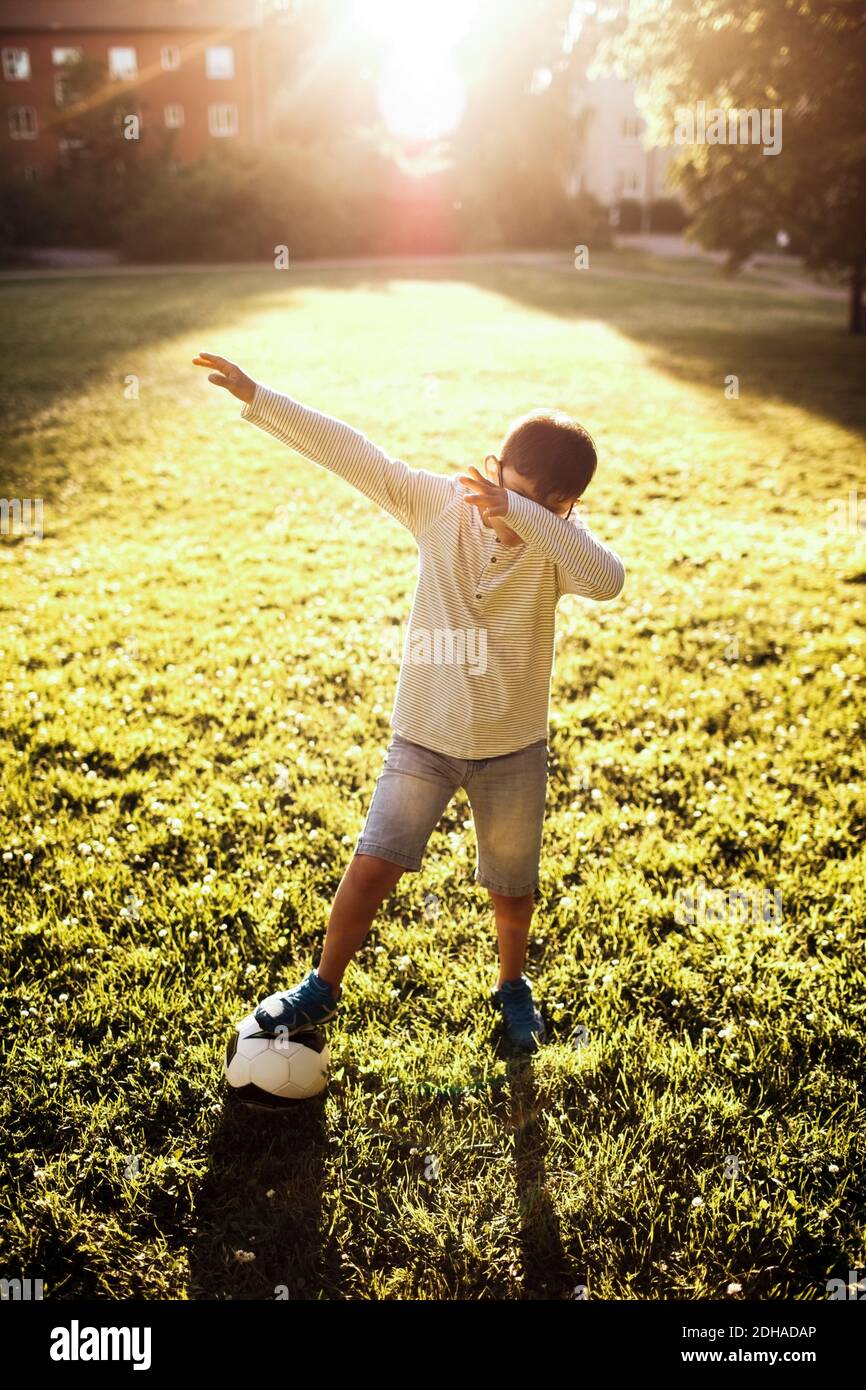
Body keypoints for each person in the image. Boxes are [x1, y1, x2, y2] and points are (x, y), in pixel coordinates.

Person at [192, 351, 626, 1051]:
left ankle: (513, 986)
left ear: (565, 508)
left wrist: (526, 512)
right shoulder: (440, 504)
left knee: (512, 889)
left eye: (546, 505)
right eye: (508, 489)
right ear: (490, 467)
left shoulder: (558, 549)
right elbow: (354, 454)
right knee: (372, 867)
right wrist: (259, 396)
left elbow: (608, 581)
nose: (510, 515)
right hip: (425, 737)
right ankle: (321, 986)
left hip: (513, 749)